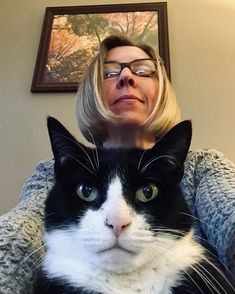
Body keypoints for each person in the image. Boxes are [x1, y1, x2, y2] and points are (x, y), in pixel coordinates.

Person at [0, 34, 235, 293]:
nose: (127, 77)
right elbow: (21, 231)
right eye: (110, 73)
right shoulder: (49, 173)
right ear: (94, 93)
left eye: (143, 70)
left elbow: (229, 212)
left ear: (162, 91)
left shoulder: (202, 167)